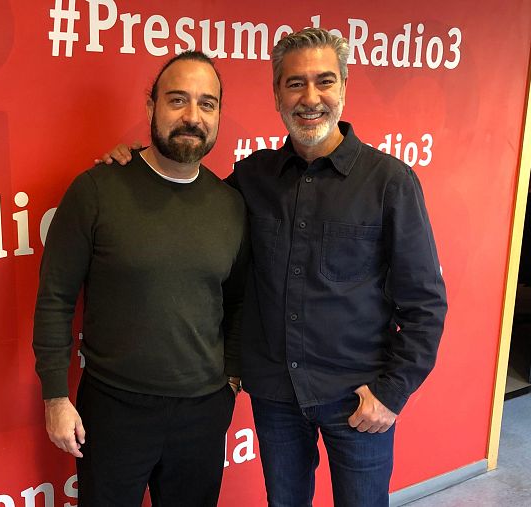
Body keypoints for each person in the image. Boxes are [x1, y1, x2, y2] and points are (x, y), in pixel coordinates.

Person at [102, 28, 447, 507]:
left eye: (324, 81)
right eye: (295, 83)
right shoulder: (253, 177)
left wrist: (393, 392)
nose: (310, 98)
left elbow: (425, 302)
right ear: (277, 95)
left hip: (358, 398)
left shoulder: (389, 181)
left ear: (344, 88)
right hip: (276, 397)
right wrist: (135, 169)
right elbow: (187, 198)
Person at [32, 51, 248, 506]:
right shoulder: (96, 191)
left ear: (218, 116)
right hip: (114, 410)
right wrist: (55, 396)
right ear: (151, 106)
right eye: (177, 100)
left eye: (207, 104)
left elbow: (238, 302)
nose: (192, 117)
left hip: (203, 413)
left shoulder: (231, 204)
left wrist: (230, 380)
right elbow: (55, 297)